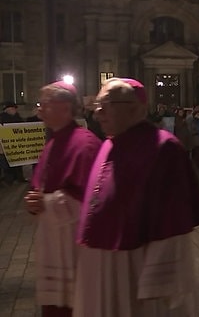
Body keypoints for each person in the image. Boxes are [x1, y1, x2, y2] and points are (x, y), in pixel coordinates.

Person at [74, 78, 199, 316]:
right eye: (96, 106)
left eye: (106, 105)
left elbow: (173, 223)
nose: (97, 114)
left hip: (136, 271)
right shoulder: (109, 143)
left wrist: (158, 281)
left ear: (135, 108)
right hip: (100, 264)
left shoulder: (164, 148)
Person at [23, 81, 102, 317]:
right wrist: (34, 201)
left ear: (65, 107)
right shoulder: (53, 141)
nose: (39, 110)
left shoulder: (85, 144)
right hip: (54, 244)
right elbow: (42, 186)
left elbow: (92, 202)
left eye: (45, 104)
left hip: (76, 250)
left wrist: (45, 203)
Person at [0, 102, 25, 184]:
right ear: (7, 109)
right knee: (7, 163)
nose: (14, 110)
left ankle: (19, 178)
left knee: (18, 162)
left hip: (17, 144)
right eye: (12, 109)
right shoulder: (2, 117)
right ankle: (9, 180)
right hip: (6, 145)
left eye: (14, 109)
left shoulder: (18, 117)